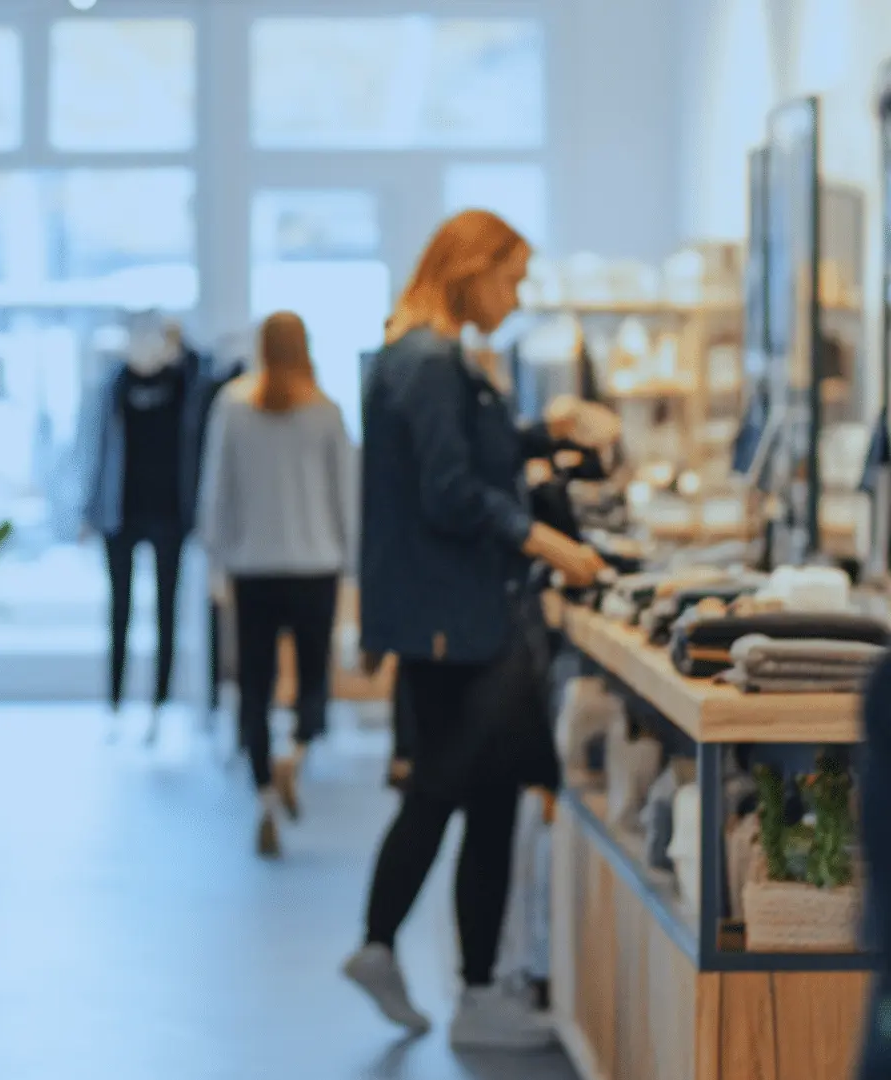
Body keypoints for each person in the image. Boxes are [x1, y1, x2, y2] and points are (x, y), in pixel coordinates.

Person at [340, 209, 605, 1051]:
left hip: (457, 620)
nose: (516, 296)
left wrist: (542, 432)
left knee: (482, 792)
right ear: (472, 268)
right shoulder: (427, 360)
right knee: (448, 792)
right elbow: (451, 490)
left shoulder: (424, 355)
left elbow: (465, 458)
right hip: (455, 624)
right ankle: (394, 952)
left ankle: (476, 989)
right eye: (512, 278)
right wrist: (546, 540)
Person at [196, 311, 355, 857]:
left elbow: (216, 493)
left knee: (255, 686)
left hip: (253, 567)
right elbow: (346, 498)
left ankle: (264, 794)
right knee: (313, 678)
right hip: (315, 566)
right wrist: (351, 562)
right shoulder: (326, 411)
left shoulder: (234, 407)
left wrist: (216, 559)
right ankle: (296, 752)